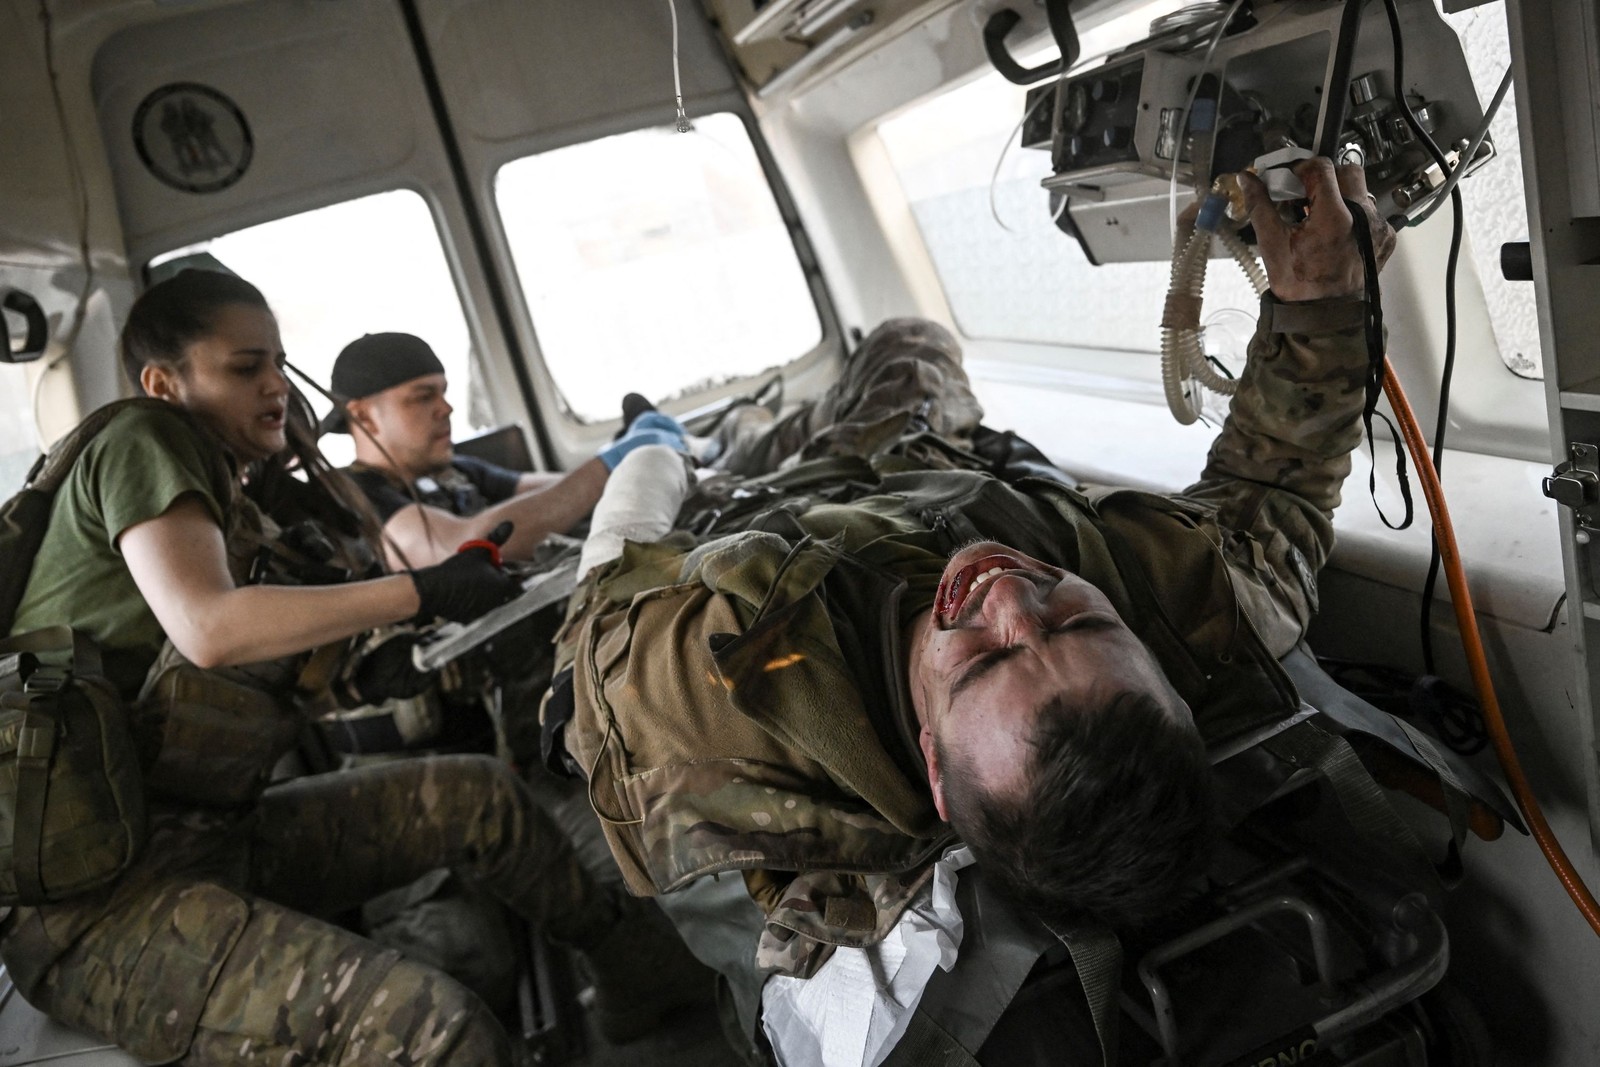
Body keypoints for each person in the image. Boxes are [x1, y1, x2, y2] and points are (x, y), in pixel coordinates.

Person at [543, 160, 1451, 1055]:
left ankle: (721, 437)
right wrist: (1318, 304)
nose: (1008, 591)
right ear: (1170, 685)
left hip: (755, 514)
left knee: (707, 444)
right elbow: (1274, 503)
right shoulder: (1186, 622)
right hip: (925, 457)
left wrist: (653, 462)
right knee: (910, 337)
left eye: (981, 658)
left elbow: (597, 608)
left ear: (935, 768)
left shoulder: (708, 691)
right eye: (1080, 621)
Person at [0, 269, 701, 1065]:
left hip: (206, 835)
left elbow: (215, 668)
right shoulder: (143, 439)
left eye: (276, 363)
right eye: (243, 367)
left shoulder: (237, 496)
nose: (273, 386)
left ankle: (645, 973)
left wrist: (370, 668)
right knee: (442, 1029)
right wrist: (420, 589)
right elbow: (208, 629)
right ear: (165, 381)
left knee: (479, 795)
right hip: (99, 912)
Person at [322, 331, 683, 568]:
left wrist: (626, 465)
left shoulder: (457, 472)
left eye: (444, 393)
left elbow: (556, 490)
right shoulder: (354, 495)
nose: (446, 408)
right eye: (423, 396)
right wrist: (615, 461)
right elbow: (461, 545)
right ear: (364, 416)